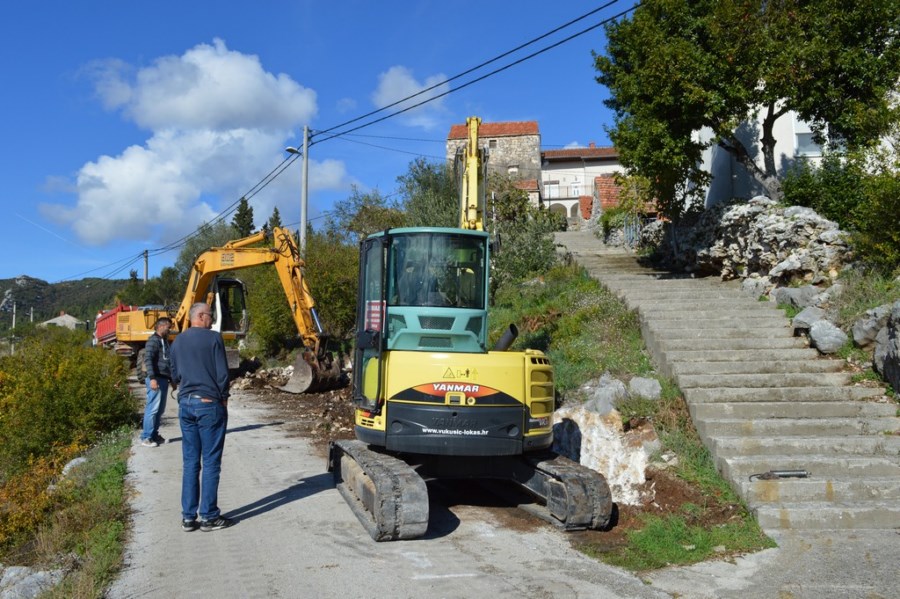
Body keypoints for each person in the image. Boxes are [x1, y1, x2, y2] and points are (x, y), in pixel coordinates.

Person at [170, 302, 234, 533]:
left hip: (186, 405)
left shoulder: (178, 341)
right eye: (210, 315)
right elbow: (222, 373)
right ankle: (208, 516)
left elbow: (174, 373)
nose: (212, 319)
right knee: (210, 462)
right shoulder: (213, 338)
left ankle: (188, 518)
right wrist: (223, 398)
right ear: (199, 316)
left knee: (190, 462)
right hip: (208, 404)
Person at [141, 317, 173, 447]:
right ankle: (146, 437)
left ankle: (154, 435)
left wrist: (172, 379)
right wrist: (152, 378)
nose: (170, 330)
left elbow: (168, 361)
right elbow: (148, 360)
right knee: (152, 409)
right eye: (168, 327)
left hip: (163, 379)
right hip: (156, 379)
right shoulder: (153, 341)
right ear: (161, 326)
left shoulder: (164, 341)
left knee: (160, 410)